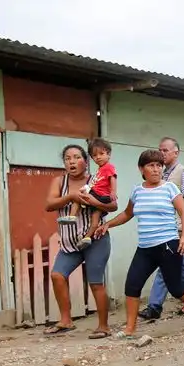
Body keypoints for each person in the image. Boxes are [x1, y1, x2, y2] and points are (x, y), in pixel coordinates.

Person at [95, 149, 184, 338]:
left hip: (168, 245)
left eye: (159, 165)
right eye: (151, 165)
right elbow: (127, 214)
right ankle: (130, 329)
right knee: (132, 285)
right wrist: (108, 224)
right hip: (145, 248)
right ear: (142, 169)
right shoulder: (137, 190)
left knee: (175, 287)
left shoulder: (170, 188)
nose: (156, 169)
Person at [44, 144, 117, 338]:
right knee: (57, 275)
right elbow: (49, 204)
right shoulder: (60, 182)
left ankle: (103, 326)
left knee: (95, 282)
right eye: (68, 158)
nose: (72, 161)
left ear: (86, 161)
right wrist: (71, 196)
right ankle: (66, 320)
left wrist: (92, 201)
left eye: (77, 157)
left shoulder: (97, 179)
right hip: (70, 242)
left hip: (95, 239)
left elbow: (113, 205)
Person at [139, 137, 184, 320]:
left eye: (166, 150)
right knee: (179, 268)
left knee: (166, 267)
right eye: (160, 149)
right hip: (166, 228)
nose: (162, 153)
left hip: (177, 229)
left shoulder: (182, 172)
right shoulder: (162, 173)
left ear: (176, 153)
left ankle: (154, 306)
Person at [57, 138, 117, 251]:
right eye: (94, 155)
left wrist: (113, 191)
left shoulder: (108, 167)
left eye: (101, 154)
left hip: (100, 196)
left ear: (108, 154)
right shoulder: (100, 170)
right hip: (97, 194)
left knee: (79, 196)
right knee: (95, 219)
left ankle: (72, 216)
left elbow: (113, 179)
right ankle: (87, 237)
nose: (98, 157)